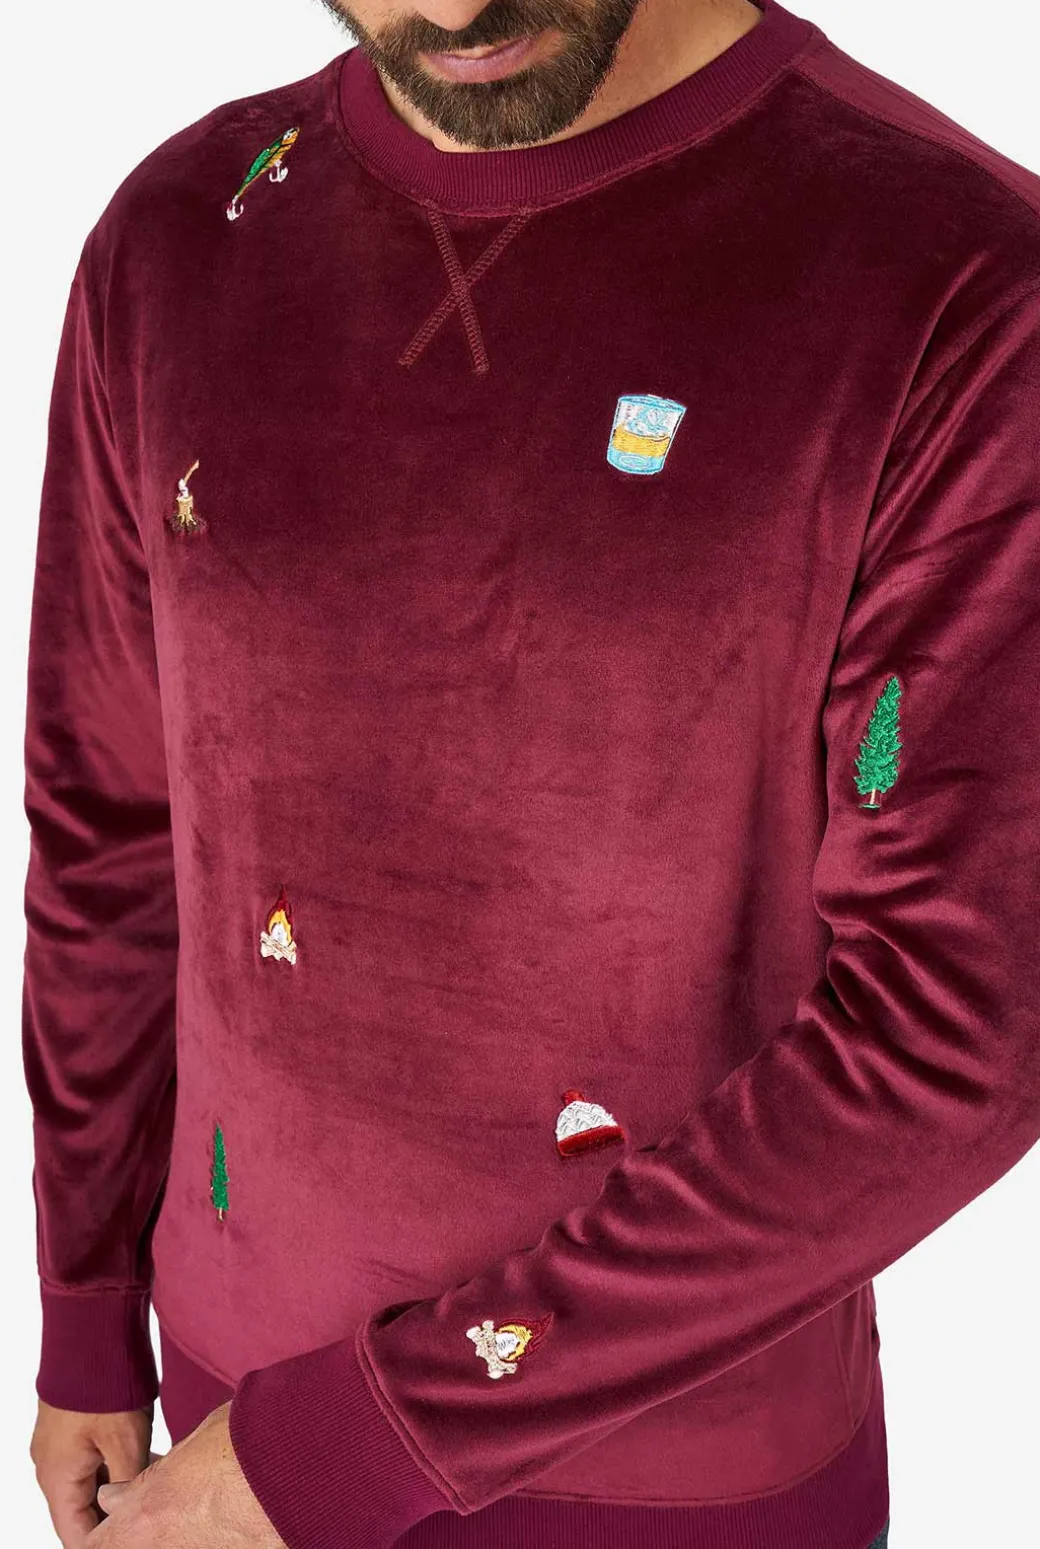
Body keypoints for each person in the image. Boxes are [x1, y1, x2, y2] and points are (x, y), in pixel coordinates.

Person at [22, 0, 1040, 1543]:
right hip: (213, 1423)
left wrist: (346, 1447)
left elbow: (961, 1024)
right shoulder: (181, 233)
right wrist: (89, 1307)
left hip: (673, 1487)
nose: (444, 7)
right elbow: (110, 823)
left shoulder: (958, 278)